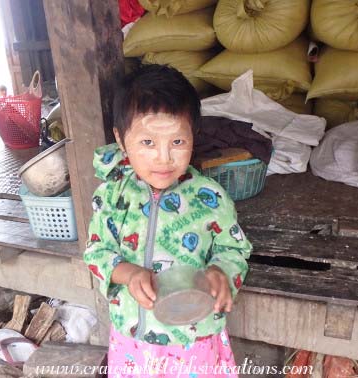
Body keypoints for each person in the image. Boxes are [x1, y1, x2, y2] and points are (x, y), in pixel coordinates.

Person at [84, 64, 252, 376]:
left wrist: (220, 271)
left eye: (177, 142)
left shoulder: (209, 197)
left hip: (195, 339)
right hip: (132, 339)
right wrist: (130, 274)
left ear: (193, 135)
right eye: (147, 143)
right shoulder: (111, 196)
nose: (164, 158)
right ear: (121, 140)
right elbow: (96, 253)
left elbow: (234, 249)